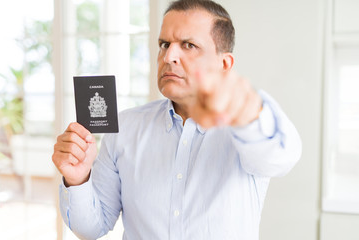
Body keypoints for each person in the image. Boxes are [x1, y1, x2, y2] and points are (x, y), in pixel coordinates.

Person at [52, 0, 302, 239]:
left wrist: (244, 110)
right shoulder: (125, 128)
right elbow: (92, 228)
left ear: (224, 64)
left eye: (188, 45)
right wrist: (78, 179)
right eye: (164, 43)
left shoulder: (251, 127)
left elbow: (279, 158)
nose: (169, 56)